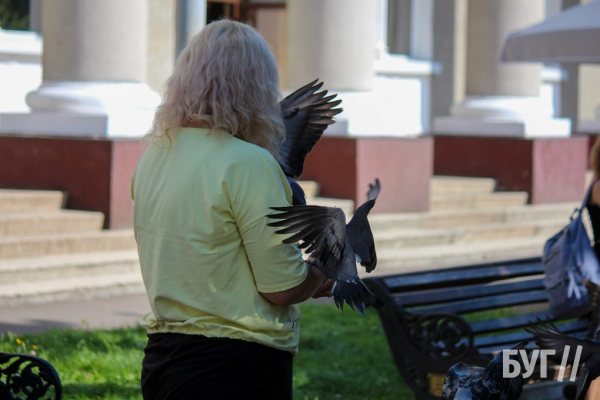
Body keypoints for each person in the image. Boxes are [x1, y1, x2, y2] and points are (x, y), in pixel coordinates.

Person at [131, 19, 332, 400]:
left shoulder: (154, 155)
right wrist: (324, 270)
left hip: (162, 360)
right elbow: (283, 287)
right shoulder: (250, 163)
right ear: (259, 88)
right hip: (236, 367)